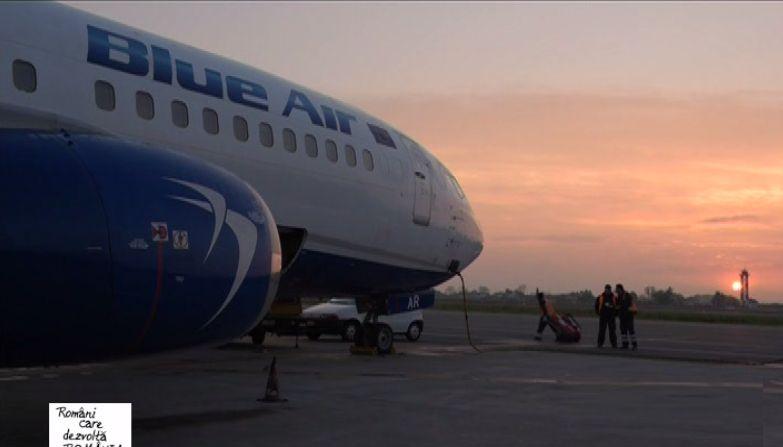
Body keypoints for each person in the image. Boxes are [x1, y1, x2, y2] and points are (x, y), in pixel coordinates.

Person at [595, 284, 618, 348]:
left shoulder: (614, 297)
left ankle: (614, 344)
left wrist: (615, 314)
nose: (608, 290)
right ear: (605, 289)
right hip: (603, 316)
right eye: (607, 289)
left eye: (609, 289)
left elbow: (617, 306)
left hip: (611, 317)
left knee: (612, 331)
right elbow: (596, 306)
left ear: (610, 290)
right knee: (602, 331)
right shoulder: (600, 297)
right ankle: (600, 343)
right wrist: (598, 313)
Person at [616, 284, 638, 350]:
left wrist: (620, 307)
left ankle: (634, 345)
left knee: (631, 331)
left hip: (628, 316)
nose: (616, 290)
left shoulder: (627, 295)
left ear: (620, 289)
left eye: (617, 289)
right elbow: (618, 306)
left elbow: (626, 305)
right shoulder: (619, 296)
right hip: (622, 316)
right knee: (623, 331)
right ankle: (625, 344)